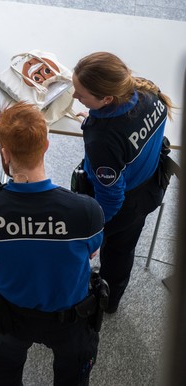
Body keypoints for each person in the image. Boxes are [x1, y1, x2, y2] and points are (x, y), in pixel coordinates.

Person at [0, 102, 104, 385]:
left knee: (5, 374)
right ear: (46, 145)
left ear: (4, 154)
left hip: (11, 315)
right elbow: (92, 250)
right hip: (70, 319)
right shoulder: (86, 212)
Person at [72, 51, 174, 314]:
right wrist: (93, 119)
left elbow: (110, 198)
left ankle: (104, 301)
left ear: (107, 99)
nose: (74, 96)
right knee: (125, 250)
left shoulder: (101, 140)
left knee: (114, 253)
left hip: (125, 205)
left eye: (81, 94)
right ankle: (113, 299)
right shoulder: (148, 94)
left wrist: (95, 229)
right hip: (153, 182)